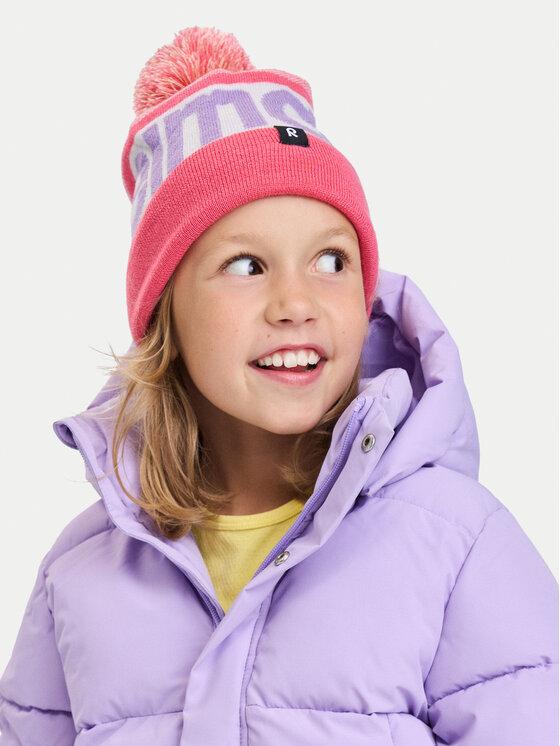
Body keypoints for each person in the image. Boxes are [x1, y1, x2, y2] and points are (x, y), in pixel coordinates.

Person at [0, 25, 557, 746]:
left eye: (331, 261)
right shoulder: (80, 573)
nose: (296, 302)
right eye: (246, 266)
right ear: (167, 313)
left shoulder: (457, 546)